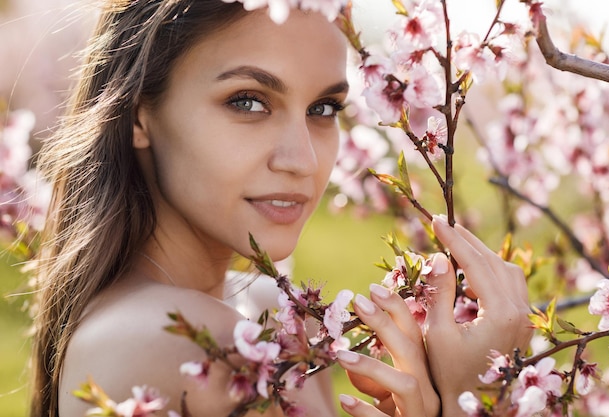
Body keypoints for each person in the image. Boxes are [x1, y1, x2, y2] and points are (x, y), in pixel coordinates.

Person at [28, 1, 532, 417]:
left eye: (323, 109)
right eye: (248, 101)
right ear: (139, 113)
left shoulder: (274, 316)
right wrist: (478, 399)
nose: (302, 161)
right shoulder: (185, 342)